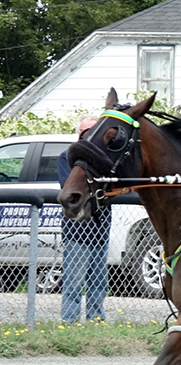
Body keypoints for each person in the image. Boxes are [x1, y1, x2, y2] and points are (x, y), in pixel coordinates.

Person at [57, 113, 110, 323]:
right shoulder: (67, 157)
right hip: (77, 232)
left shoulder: (106, 161)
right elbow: (69, 191)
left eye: (91, 132)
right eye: (83, 131)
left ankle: (96, 320)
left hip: (101, 232)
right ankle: (69, 322)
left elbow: (112, 190)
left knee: (99, 282)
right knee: (73, 281)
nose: (86, 135)